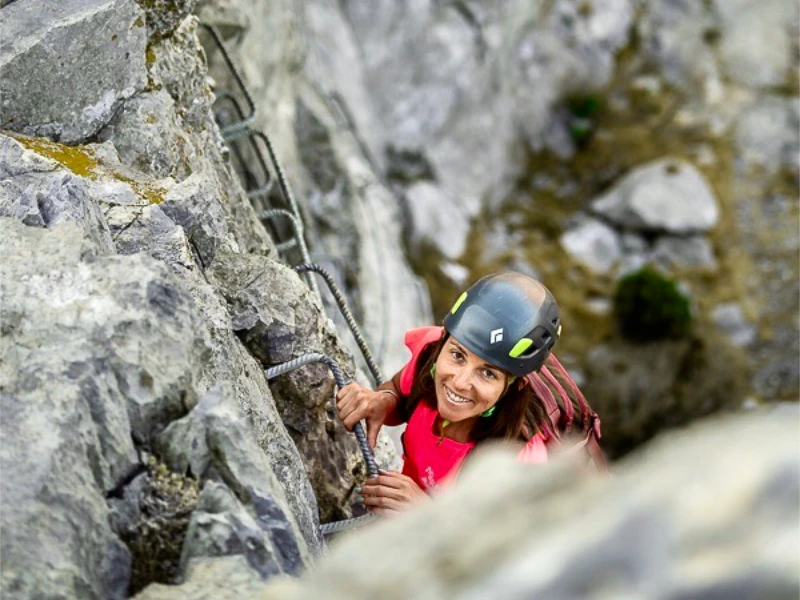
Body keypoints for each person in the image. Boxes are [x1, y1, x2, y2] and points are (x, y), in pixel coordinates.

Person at [336, 272, 605, 515]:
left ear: (514, 386)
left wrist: (425, 515)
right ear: (444, 341)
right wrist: (384, 400)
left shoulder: (516, 462)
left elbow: (503, 546)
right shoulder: (431, 357)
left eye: (488, 373)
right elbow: (401, 391)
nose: (460, 382)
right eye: (458, 355)